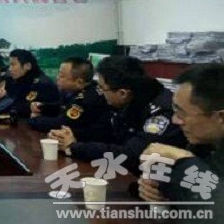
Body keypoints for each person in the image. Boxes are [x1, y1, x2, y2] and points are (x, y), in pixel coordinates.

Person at [49, 56, 187, 174]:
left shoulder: (160, 113)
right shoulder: (128, 99)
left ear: (122, 93)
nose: (100, 93)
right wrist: (72, 137)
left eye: (102, 88)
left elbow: (130, 155)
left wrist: (74, 147)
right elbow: (105, 132)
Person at [138, 64, 224, 221]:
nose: (175, 120)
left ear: (221, 117)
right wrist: (159, 191)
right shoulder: (204, 145)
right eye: (175, 110)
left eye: (182, 113)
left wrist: (185, 160)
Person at [27, 57, 111, 142]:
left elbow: (62, 123)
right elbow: (63, 107)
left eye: (61, 76)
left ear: (79, 81)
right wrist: (42, 107)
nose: (57, 78)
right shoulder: (75, 89)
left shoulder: (86, 98)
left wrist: (34, 120)